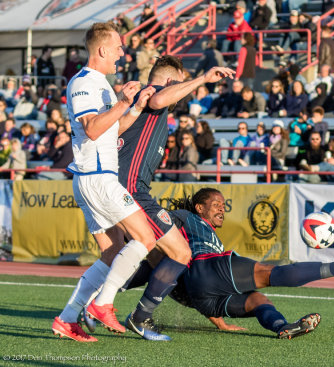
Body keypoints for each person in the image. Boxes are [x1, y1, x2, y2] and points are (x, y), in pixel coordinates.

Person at [88, 56, 236, 341]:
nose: (184, 93)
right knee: (180, 253)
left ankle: (79, 311)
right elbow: (158, 98)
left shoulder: (140, 102)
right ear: (171, 81)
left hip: (113, 186)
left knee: (124, 255)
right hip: (131, 190)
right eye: (181, 85)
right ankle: (138, 318)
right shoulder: (151, 95)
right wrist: (203, 79)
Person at [116, 188, 334, 339]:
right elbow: (152, 222)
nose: (222, 210)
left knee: (258, 300)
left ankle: (282, 327)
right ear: (200, 207)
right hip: (204, 269)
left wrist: (220, 322)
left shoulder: (212, 236)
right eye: (216, 205)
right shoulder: (188, 217)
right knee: (269, 272)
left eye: (223, 206)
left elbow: (203, 284)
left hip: (203, 299)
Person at [52, 21, 158, 343]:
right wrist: (123, 102)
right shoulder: (85, 82)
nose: (122, 53)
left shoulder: (100, 83)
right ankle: (102, 304)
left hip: (94, 177)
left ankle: (68, 320)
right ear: (101, 50)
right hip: (98, 178)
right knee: (146, 238)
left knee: (113, 254)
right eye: (118, 47)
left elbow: (112, 129)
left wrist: (135, 106)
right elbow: (94, 129)